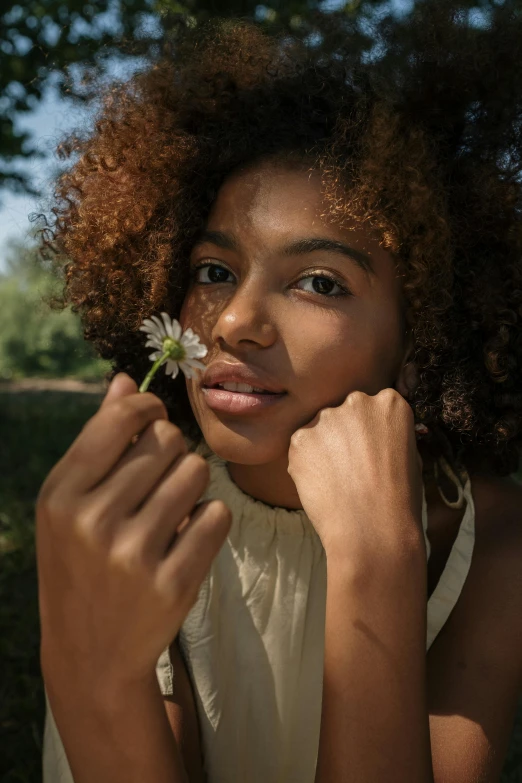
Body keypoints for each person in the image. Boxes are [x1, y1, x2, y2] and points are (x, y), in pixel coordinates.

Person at [36, 6, 522, 783]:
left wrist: (378, 561)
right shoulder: (141, 522)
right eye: (214, 271)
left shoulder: (492, 543)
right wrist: (93, 675)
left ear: (426, 329)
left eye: (319, 282)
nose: (232, 322)